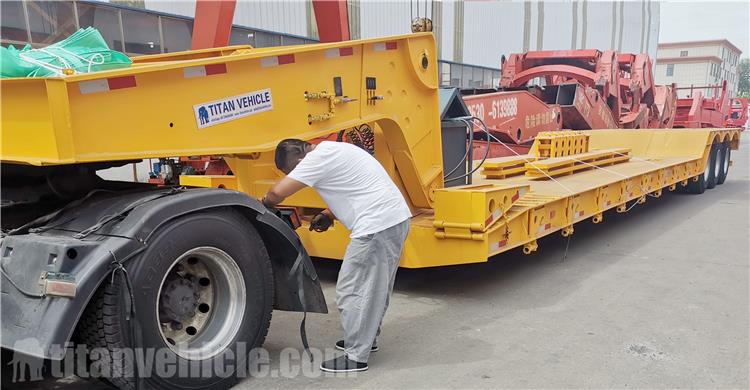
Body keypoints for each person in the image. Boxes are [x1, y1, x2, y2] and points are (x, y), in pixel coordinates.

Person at [261, 138, 411, 373]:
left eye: (293, 170)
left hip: (376, 226)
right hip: (392, 219)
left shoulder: (314, 160)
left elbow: (277, 193)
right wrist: (329, 214)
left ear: (300, 160)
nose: (296, 174)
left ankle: (356, 356)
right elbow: (354, 185)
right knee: (374, 288)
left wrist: (264, 204)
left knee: (351, 290)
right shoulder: (336, 150)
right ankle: (365, 340)